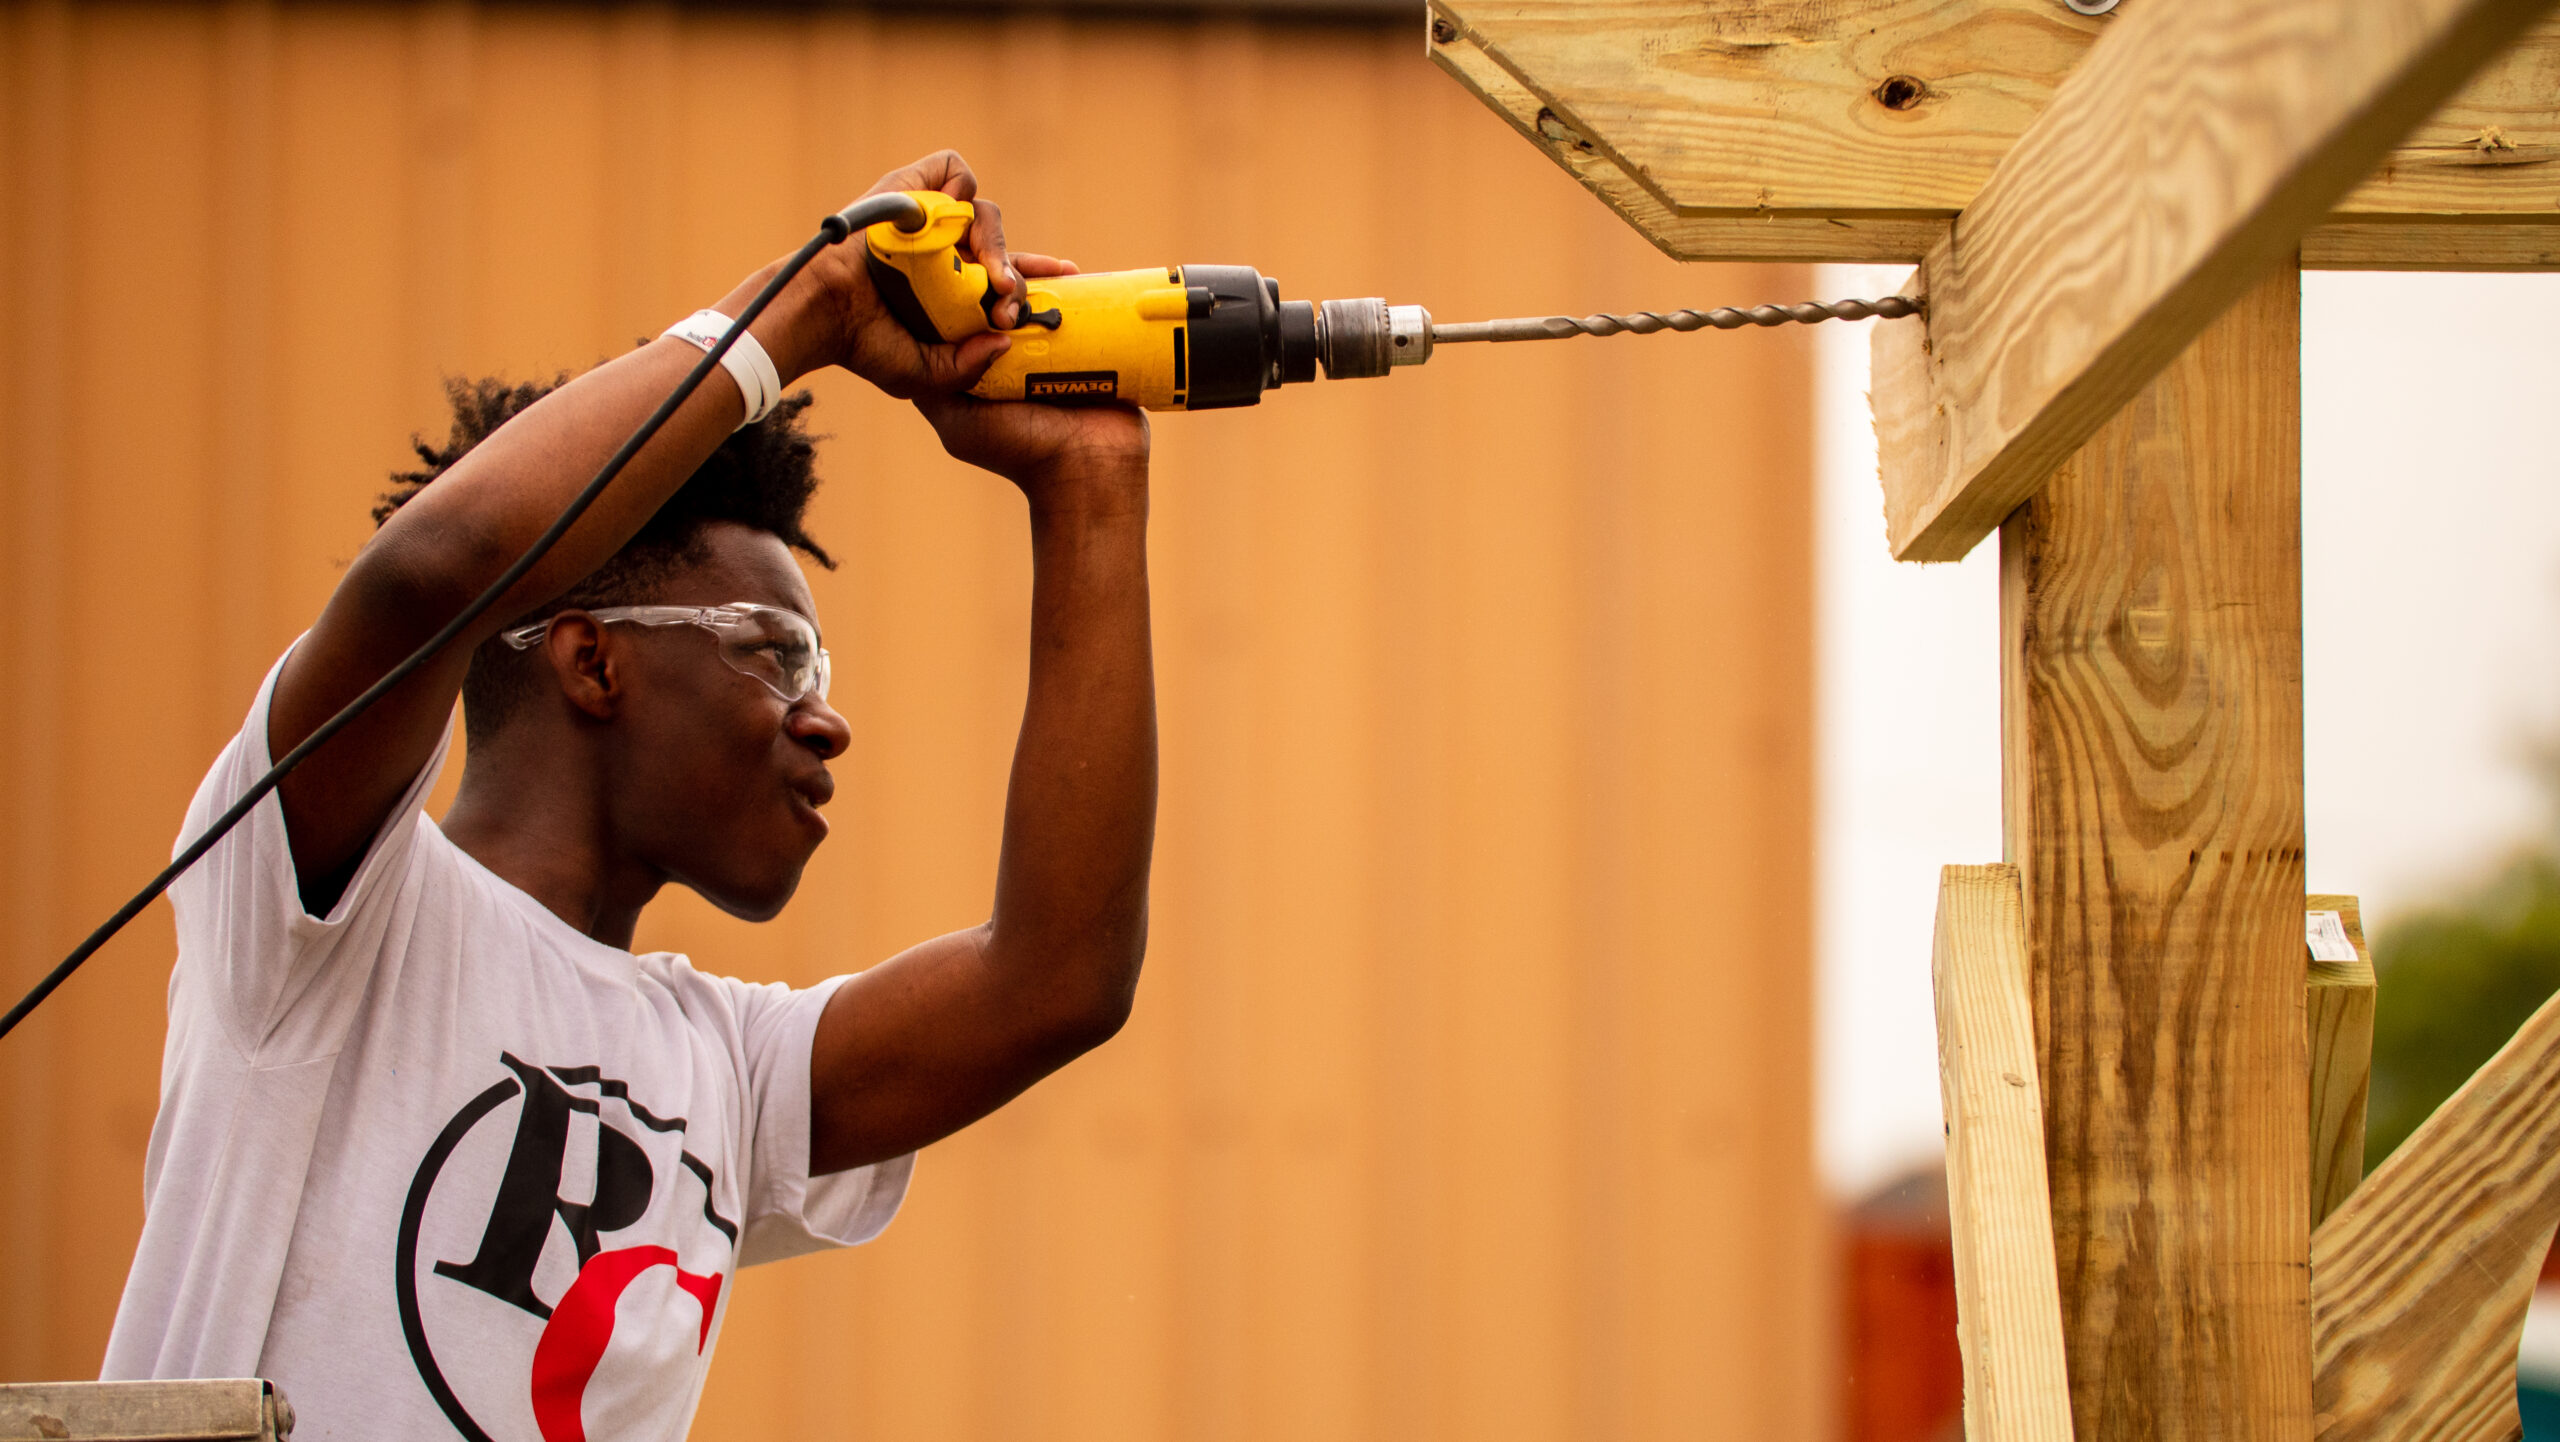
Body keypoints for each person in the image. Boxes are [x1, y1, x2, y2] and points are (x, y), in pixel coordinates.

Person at [100, 151, 1155, 1442]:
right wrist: (803, 310)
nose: (825, 716)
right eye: (773, 654)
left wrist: (1088, 485)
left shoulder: (721, 1067)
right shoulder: (326, 917)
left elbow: (1058, 978)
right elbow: (437, 567)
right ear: (593, 658)